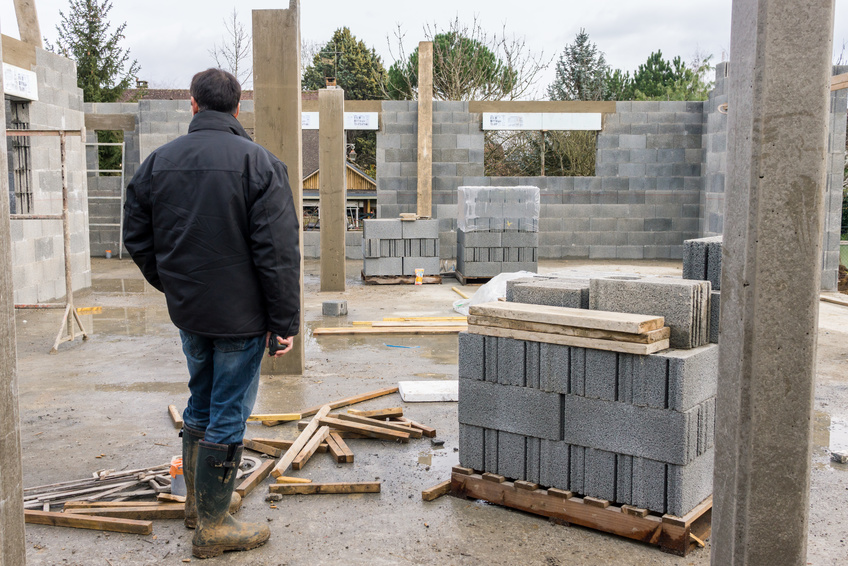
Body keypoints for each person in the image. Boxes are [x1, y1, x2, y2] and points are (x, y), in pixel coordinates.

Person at [123, 68, 301, 559]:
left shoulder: (159, 163)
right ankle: (215, 524)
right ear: (238, 109)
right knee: (228, 414)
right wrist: (283, 322)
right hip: (242, 320)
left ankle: (199, 507)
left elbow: (136, 237)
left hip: (191, 313)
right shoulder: (262, 164)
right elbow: (277, 254)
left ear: (194, 106)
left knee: (199, 403)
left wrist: (172, 285)